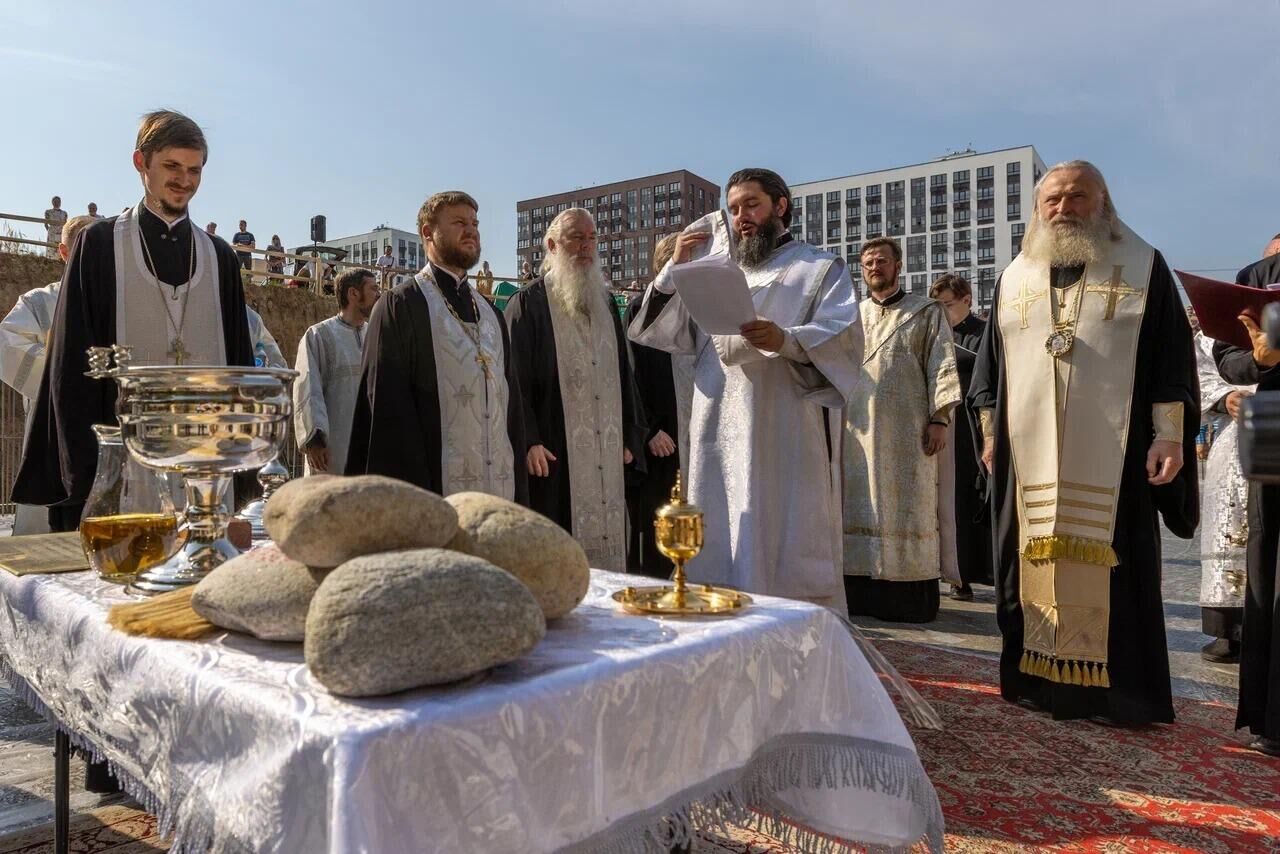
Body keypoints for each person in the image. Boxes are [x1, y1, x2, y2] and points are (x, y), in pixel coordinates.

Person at [968, 160, 1197, 726]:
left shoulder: (1144, 267)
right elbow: (989, 373)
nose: (1063, 209)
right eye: (1053, 200)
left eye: (1077, 198)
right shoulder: (1015, 275)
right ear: (1039, 208)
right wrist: (992, 435)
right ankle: (1036, 680)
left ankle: (1116, 695)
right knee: (1023, 564)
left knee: (1117, 565)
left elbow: (1171, 358)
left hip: (1113, 457)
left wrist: (1168, 436)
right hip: (1028, 456)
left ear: (1104, 205)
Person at [629, 168, 862, 608]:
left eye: (751, 204)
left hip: (783, 427)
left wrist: (787, 340)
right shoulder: (711, 272)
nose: (741, 217)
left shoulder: (818, 269)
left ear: (780, 206)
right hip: (716, 424)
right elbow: (653, 331)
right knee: (720, 533)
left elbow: (844, 338)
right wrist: (671, 273)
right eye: (733, 208)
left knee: (778, 536)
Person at [13, 109, 255, 533]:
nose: (184, 180)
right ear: (141, 163)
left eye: (194, 170)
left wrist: (246, 476)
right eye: (172, 167)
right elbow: (73, 367)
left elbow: (240, 366)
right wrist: (86, 478)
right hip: (124, 473)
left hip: (208, 469)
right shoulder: (100, 246)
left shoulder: (220, 258)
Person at [346, 191, 527, 504]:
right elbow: (389, 414)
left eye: (474, 223)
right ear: (428, 233)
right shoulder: (401, 305)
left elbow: (512, 410)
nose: (471, 230)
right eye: (458, 222)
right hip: (431, 494)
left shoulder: (491, 313)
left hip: (498, 491)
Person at [505, 209, 645, 571]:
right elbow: (513, 379)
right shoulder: (528, 303)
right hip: (555, 449)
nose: (586, 247)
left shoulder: (605, 302)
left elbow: (623, 374)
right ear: (552, 245)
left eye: (592, 238)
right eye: (577, 238)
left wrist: (630, 435)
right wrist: (529, 439)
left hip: (607, 450)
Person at [842, 240, 960, 623]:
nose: (874, 267)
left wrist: (940, 418)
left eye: (882, 261)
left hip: (909, 431)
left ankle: (908, 599)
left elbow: (941, 363)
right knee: (860, 505)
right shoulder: (851, 316)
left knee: (909, 508)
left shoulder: (925, 312)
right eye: (868, 263)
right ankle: (861, 593)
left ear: (898, 266)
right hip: (856, 433)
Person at [1212, 243, 1280, 755]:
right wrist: (1259, 361)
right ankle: (1273, 716)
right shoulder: (1260, 277)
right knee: (1273, 570)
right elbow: (1226, 353)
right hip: (1275, 428)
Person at [0, 214, 96, 534]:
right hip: (52, 426)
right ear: (63, 252)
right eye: (81, 247)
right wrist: (66, 381)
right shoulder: (40, 302)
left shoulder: (121, 305)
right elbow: (8, 345)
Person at [623, 235, 688, 577]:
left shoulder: (704, 308)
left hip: (692, 436)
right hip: (659, 440)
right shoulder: (642, 308)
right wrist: (647, 429)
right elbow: (630, 376)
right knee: (657, 527)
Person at [930, 273, 992, 600]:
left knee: (969, 499)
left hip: (972, 428)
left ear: (966, 300)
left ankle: (969, 571)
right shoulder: (933, 334)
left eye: (947, 305)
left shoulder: (984, 333)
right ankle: (949, 572)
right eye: (935, 306)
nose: (941, 312)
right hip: (939, 425)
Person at [1195, 329, 1250, 664]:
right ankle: (1230, 630)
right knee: (1232, 527)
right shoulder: (1225, 322)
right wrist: (1224, 397)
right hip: (1239, 437)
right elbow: (1200, 369)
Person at [295, 268, 379, 475]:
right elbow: (307, 387)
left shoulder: (378, 335)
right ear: (353, 294)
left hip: (372, 449)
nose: (379, 294)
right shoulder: (318, 335)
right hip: (331, 452)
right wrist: (313, 440)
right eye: (373, 288)